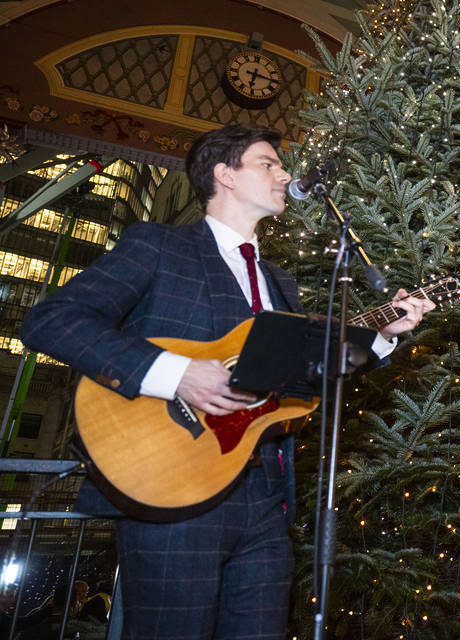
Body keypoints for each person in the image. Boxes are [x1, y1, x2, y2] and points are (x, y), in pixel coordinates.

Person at [20, 124, 435, 640]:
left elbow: (303, 368)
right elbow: (52, 322)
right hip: (170, 483)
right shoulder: (159, 246)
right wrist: (177, 374)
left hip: (264, 495)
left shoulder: (279, 281)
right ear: (224, 174)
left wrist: (381, 334)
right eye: (268, 163)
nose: (285, 173)